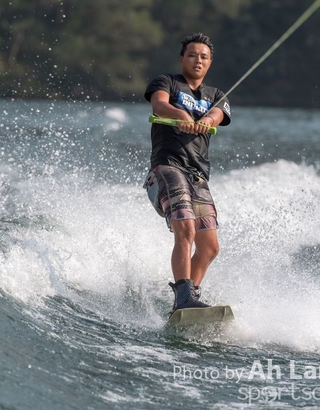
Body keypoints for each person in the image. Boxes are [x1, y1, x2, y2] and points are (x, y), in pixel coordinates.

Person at [143, 33, 231, 314]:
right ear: (182, 58)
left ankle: (188, 297)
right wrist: (180, 115)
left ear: (210, 62)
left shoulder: (215, 95)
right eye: (192, 55)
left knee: (209, 247)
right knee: (187, 228)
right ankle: (183, 297)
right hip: (167, 168)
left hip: (197, 176)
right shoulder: (166, 83)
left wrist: (205, 120)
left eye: (204, 57)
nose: (198, 60)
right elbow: (159, 104)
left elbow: (219, 114)